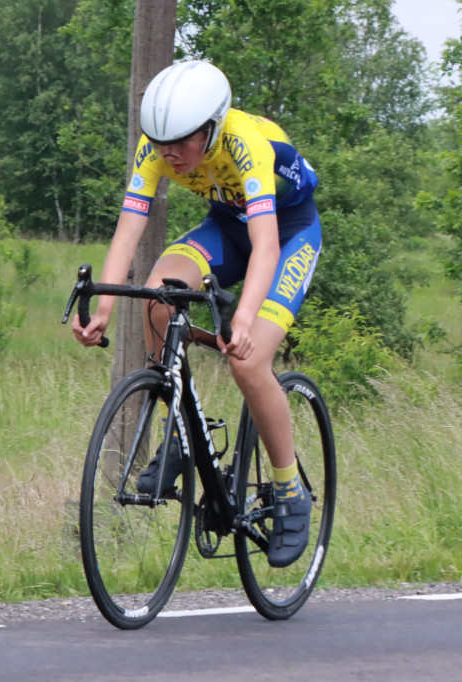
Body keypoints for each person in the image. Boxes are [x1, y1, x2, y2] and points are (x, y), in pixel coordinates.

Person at [72, 60, 321, 568]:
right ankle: (184, 435)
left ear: (212, 125)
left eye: (182, 141)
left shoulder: (245, 143)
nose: (170, 153)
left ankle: (289, 487)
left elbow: (267, 247)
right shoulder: (158, 149)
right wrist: (103, 308)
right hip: (227, 228)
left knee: (248, 362)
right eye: (160, 141)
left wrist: (246, 317)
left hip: (288, 234)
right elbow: (128, 230)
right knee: (159, 297)